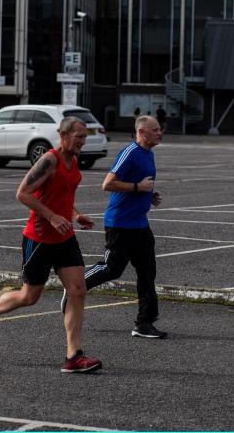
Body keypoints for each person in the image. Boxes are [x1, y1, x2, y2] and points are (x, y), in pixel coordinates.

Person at [0, 116, 102, 374]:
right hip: (39, 239)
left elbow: (60, 194)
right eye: (80, 137)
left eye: (85, 137)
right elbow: (23, 193)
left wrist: (74, 215)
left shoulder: (72, 161)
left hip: (64, 237)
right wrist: (52, 216)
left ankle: (73, 355)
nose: (83, 142)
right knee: (29, 296)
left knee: (77, 290)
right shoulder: (49, 160)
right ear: (64, 135)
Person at [66, 115, 167, 339]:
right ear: (141, 132)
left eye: (160, 129)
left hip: (140, 224)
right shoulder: (129, 152)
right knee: (112, 269)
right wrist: (137, 187)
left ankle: (144, 323)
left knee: (147, 272)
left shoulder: (148, 154)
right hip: (120, 224)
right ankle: (74, 287)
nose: (160, 133)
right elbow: (108, 183)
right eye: (155, 129)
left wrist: (149, 195)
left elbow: (140, 185)